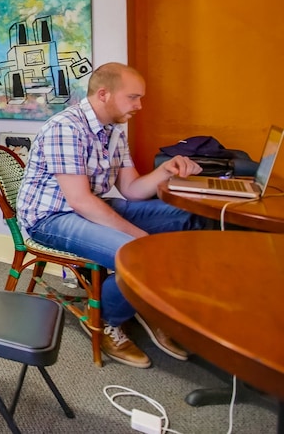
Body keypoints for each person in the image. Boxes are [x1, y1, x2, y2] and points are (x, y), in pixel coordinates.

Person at [16, 62, 204, 368]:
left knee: (188, 217)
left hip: (88, 206)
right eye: (133, 97)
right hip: (50, 219)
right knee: (140, 253)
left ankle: (145, 299)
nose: (139, 105)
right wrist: (139, 237)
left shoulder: (114, 130)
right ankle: (105, 320)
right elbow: (80, 201)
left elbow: (132, 189)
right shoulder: (66, 127)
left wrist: (164, 171)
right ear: (104, 94)